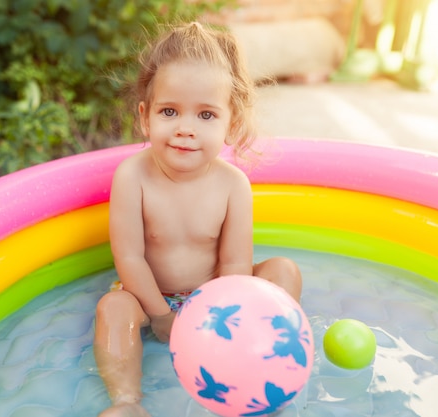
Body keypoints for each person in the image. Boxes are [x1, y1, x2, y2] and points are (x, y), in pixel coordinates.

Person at [93, 21, 302, 417]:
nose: (186, 129)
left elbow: (235, 265)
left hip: (216, 299)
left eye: (206, 115)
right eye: (170, 111)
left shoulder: (233, 185)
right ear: (145, 117)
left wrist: (219, 321)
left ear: (231, 122)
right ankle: (126, 401)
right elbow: (131, 258)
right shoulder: (132, 176)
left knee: (283, 271)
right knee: (112, 308)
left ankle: (264, 365)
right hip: (148, 297)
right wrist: (160, 316)